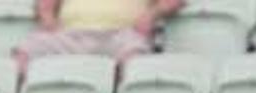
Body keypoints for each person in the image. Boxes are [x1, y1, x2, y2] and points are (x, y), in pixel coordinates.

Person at [16, 0, 183, 71]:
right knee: (27, 50)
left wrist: (151, 14)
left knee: (134, 55)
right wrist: (48, 19)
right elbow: (44, 4)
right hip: (72, 36)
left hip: (121, 35)